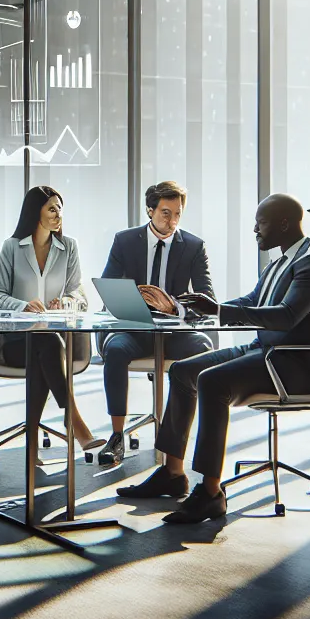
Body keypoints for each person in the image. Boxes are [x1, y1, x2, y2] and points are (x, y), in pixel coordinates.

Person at [117, 194, 310, 524]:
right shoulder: (280, 263)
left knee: (212, 380)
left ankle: (210, 492)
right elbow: (252, 301)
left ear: (284, 224)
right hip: (262, 352)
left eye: (260, 224)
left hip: (291, 364)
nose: (254, 230)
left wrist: (219, 310)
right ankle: (173, 472)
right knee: (183, 370)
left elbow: (287, 316)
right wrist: (196, 309)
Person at [95, 180, 217, 464]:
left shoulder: (194, 247)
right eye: (166, 212)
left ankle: (177, 439)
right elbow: (108, 286)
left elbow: (207, 298)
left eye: (178, 214)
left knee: (203, 348)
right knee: (115, 350)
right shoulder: (125, 241)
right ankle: (116, 435)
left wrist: (173, 307)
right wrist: (135, 304)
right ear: (150, 210)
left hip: (175, 331)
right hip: (135, 328)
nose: (173, 220)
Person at [0, 186, 104, 457]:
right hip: (18, 341)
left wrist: (66, 302)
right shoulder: (12, 248)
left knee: (46, 347)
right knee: (44, 344)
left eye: (60, 208)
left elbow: (79, 295)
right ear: (35, 212)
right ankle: (74, 420)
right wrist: (23, 306)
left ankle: (32, 447)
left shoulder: (69, 247)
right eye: (52, 208)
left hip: (59, 341)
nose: (58, 214)